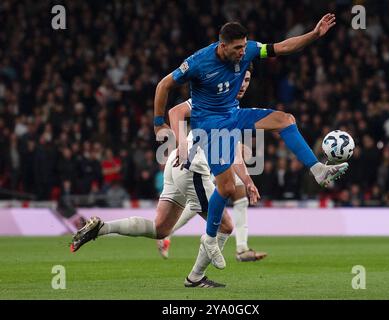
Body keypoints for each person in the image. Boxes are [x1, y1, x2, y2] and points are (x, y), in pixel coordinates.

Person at [153, 14, 348, 269]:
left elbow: (283, 47)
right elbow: (163, 85)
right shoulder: (199, 62)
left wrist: (313, 35)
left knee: (285, 119)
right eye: (237, 48)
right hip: (209, 127)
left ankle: (318, 170)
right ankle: (210, 239)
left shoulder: (248, 51)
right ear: (222, 46)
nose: (242, 52)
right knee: (225, 188)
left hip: (233, 116)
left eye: (244, 46)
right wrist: (159, 123)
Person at [70, 114, 259, 288]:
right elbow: (235, 153)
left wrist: (162, 124)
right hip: (193, 168)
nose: (243, 83)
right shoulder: (227, 110)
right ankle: (195, 277)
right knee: (225, 227)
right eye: (244, 78)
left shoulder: (210, 98)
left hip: (177, 162)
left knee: (160, 229)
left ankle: (102, 228)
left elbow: (233, 153)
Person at [157, 65, 267, 262]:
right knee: (213, 202)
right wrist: (180, 144)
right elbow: (176, 112)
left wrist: (248, 178)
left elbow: (232, 147)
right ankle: (230, 251)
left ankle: (240, 248)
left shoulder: (233, 106)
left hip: (204, 164)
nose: (243, 84)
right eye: (241, 78)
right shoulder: (213, 96)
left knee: (226, 194)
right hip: (191, 164)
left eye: (247, 80)